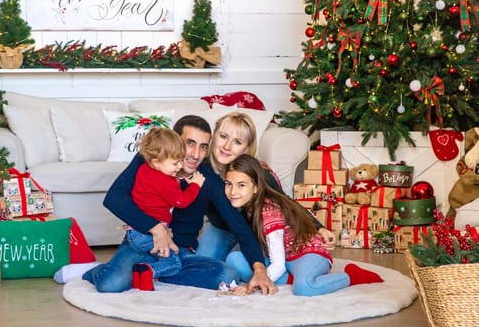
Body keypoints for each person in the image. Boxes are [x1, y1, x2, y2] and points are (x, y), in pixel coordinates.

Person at [82, 115, 277, 294]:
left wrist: (259, 268)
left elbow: (239, 226)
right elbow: (114, 198)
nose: (195, 154)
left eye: (203, 147)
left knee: (227, 275)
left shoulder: (207, 180)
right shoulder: (151, 159)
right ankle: (104, 270)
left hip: (180, 252)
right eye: (189, 144)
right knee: (111, 284)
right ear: (175, 141)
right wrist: (156, 229)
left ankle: (150, 272)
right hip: (141, 244)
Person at [223, 154, 384, 296]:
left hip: (307, 252)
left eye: (241, 185)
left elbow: (277, 265)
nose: (232, 191)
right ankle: (292, 277)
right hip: (284, 256)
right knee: (234, 259)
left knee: (305, 287)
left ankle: (351, 276)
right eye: (228, 184)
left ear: (256, 187)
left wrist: (253, 285)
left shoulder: (268, 211)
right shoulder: (247, 207)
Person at [196, 111, 335, 262]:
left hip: (252, 231)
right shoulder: (201, 167)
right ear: (214, 135)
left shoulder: (258, 173)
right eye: (223, 137)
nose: (227, 146)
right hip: (220, 228)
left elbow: (286, 202)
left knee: (239, 262)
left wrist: (318, 228)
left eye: (237, 142)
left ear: (246, 148)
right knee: (202, 262)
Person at [128, 127, 205, 290]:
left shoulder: (145, 170)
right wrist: (195, 186)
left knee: (165, 254)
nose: (179, 166)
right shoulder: (164, 180)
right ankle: (147, 271)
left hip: (135, 231)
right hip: (146, 234)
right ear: (156, 161)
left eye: (180, 161)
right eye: (174, 163)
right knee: (173, 263)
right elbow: (181, 201)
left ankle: (143, 278)